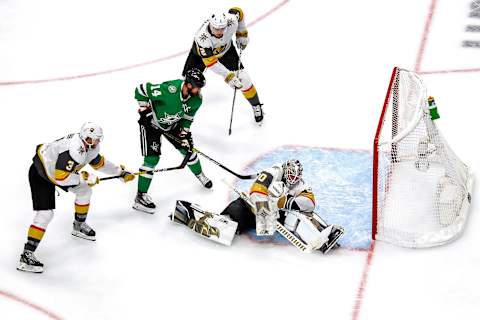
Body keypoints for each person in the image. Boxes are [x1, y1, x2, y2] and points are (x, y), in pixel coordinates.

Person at [17, 122, 135, 273]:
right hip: (42, 172)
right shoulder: (74, 150)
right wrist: (83, 178)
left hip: (59, 172)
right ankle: (27, 255)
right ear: (86, 138)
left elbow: (99, 163)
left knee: (85, 192)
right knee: (46, 214)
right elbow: (60, 177)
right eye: (95, 139)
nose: (98, 142)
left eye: (99, 139)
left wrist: (119, 172)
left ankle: (78, 225)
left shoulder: (89, 146)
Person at [132, 68, 212, 214]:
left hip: (173, 125)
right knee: (151, 159)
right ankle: (140, 196)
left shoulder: (197, 100)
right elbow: (140, 89)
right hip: (151, 124)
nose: (199, 90)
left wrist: (184, 133)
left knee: (188, 151)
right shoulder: (170, 90)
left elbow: (188, 117)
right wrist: (145, 109)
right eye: (197, 87)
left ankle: (200, 175)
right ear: (188, 85)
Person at [220, 159, 344, 253]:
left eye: (296, 178)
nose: (293, 180)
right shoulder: (273, 171)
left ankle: (320, 238)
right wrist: (265, 212)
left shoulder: (300, 184)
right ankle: (223, 223)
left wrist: (283, 202)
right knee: (239, 208)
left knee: (296, 216)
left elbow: (310, 203)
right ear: (285, 170)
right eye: (290, 176)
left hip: (276, 214)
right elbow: (256, 190)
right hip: (253, 208)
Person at [182, 7, 264, 124]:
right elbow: (211, 63)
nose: (219, 32)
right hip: (200, 56)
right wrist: (228, 76)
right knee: (188, 84)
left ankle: (256, 105)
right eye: (216, 29)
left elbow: (238, 12)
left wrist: (242, 32)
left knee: (244, 79)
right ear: (210, 25)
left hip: (226, 52)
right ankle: (181, 110)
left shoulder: (231, 21)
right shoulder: (202, 38)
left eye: (222, 28)